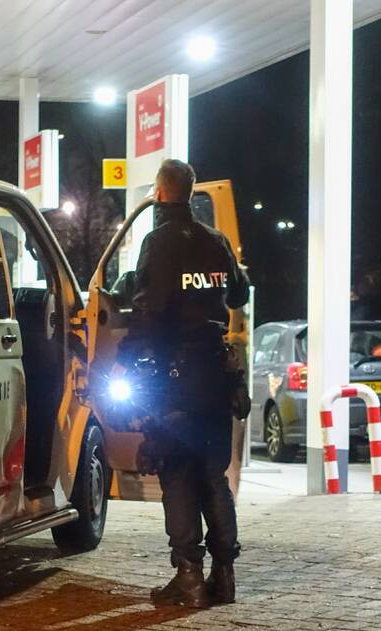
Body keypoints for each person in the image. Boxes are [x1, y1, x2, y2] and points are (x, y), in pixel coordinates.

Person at [117, 159, 250, 608]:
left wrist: (126, 360)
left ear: (160, 192)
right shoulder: (217, 242)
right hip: (213, 377)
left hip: (173, 380)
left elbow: (147, 312)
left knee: (176, 475)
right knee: (214, 476)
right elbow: (239, 292)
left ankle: (189, 578)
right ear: (190, 194)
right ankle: (224, 576)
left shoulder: (157, 243)